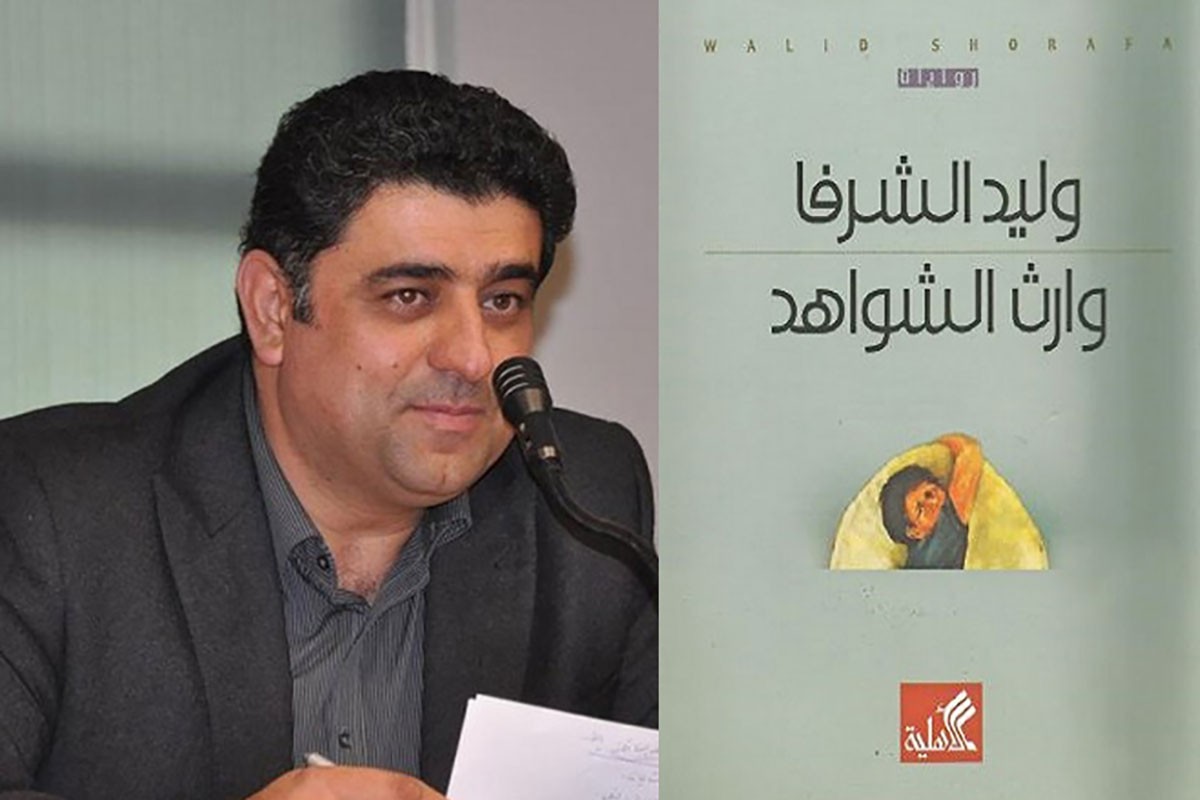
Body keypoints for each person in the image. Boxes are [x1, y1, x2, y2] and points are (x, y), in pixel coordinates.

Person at [0, 70, 656, 800]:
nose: (473, 357)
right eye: (410, 297)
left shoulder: (586, 505)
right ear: (274, 309)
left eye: (503, 301)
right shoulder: (47, 508)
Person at [879, 433, 982, 569]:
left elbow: (969, 451)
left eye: (929, 494)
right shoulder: (946, 524)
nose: (933, 503)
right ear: (915, 532)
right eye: (920, 509)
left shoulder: (948, 516)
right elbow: (969, 450)